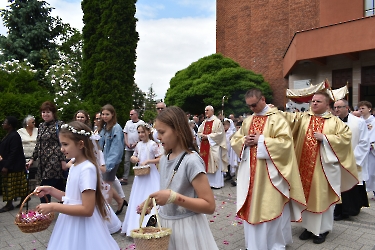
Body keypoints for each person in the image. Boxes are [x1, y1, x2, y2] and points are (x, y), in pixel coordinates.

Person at [230, 89, 306, 250]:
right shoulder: (248, 120)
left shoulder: (278, 118)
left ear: (263, 99)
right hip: (250, 175)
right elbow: (235, 139)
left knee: (271, 206)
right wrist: (245, 140)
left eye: (254, 105)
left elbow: (286, 144)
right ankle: (254, 245)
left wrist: (261, 140)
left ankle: (274, 245)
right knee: (251, 207)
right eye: (249, 106)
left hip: (270, 174)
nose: (252, 109)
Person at [138, 106, 218, 250]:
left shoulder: (191, 161)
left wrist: (174, 198)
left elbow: (209, 205)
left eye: (162, 132)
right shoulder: (164, 159)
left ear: (177, 130)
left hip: (187, 228)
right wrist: (152, 201)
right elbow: (169, 189)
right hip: (166, 225)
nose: (158, 137)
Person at [283, 91, 358, 244]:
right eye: (313, 101)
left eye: (318, 101)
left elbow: (345, 138)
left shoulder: (335, 122)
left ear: (326, 105)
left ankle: (322, 230)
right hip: (304, 167)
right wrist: (273, 112)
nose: (314, 103)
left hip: (325, 169)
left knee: (322, 198)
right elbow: (288, 120)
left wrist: (325, 138)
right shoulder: (303, 118)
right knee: (308, 197)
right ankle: (308, 228)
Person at [34, 121, 119, 249]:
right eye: (61, 144)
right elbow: (73, 198)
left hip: (84, 226)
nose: (61, 149)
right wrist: (51, 190)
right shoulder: (74, 166)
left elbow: (87, 209)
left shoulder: (87, 169)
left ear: (80, 144)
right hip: (70, 221)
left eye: (65, 144)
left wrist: (54, 207)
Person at [121, 123, 161, 236]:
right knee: (137, 195)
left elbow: (160, 158)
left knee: (150, 194)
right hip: (140, 174)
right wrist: (134, 158)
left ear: (148, 132)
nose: (141, 134)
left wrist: (149, 161)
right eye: (139, 132)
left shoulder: (153, 144)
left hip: (151, 174)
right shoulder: (138, 145)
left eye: (143, 132)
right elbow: (135, 155)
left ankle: (151, 221)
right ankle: (135, 224)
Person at [333, 99, 370, 220]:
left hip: (353, 159)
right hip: (336, 160)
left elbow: (364, 142)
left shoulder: (358, 122)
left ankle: (350, 210)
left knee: (352, 184)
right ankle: (338, 210)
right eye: (335, 107)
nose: (337, 110)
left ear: (346, 107)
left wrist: (353, 158)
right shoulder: (332, 122)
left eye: (339, 107)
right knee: (338, 185)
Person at [27, 101, 67, 203]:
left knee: (43, 187)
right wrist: (32, 159)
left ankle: (45, 211)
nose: (45, 114)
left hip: (54, 162)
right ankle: (70, 203)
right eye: (43, 112)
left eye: (48, 112)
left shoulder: (60, 125)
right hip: (42, 162)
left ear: (53, 113)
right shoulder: (41, 126)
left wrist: (63, 160)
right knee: (58, 186)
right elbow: (38, 144)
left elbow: (64, 143)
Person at [97, 104, 126, 215]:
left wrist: (108, 165)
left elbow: (116, 148)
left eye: (107, 114)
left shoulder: (116, 128)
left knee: (106, 186)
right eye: (103, 114)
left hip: (110, 162)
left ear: (112, 114)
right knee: (105, 184)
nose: (104, 116)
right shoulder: (104, 127)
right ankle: (120, 201)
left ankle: (106, 212)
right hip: (103, 160)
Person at [0, 116, 28, 212]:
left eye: (5, 122)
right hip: (11, 165)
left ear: (10, 125)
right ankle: (24, 199)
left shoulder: (14, 136)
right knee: (18, 185)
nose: (3, 124)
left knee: (11, 186)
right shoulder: (9, 135)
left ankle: (9, 204)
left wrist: (6, 166)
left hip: (13, 166)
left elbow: (14, 152)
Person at [197, 105, 228, 189]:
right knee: (204, 163)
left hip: (214, 147)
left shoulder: (217, 122)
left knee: (215, 162)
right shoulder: (204, 122)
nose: (206, 112)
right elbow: (199, 132)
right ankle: (207, 183)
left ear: (212, 111)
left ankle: (216, 183)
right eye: (205, 110)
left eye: (207, 110)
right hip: (204, 146)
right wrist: (201, 136)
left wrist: (208, 137)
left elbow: (220, 134)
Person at [120, 109, 144, 185]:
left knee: (137, 162)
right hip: (128, 146)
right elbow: (125, 133)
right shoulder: (128, 122)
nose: (130, 116)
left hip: (137, 146)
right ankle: (125, 178)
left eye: (132, 114)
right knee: (126, 162)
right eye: (130, 114)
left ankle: (138, 178)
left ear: (136, 115)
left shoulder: (141, 123)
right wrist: (126, 142)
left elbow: (143, 134)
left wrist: (136, 143)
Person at [358, 100, 375, 199]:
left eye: (363, 108)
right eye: (359, 108)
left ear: (369, 109)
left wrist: (371, 145)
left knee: (372, 172)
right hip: (362, 150)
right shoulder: (359, 121)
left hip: (371, 151)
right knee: (363, 172)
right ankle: (362, 194)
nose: (361, 110)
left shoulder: (374, 121)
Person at [223, 119, 238, 187]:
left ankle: (231, 175)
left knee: (230, 161)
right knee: (225, 162)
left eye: (225, 125)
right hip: (224, 149)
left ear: (228, 126)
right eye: (223, 125)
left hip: (229, 149)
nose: (224, 127)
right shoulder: (224, 132)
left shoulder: (231, 132)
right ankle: (226, 174)